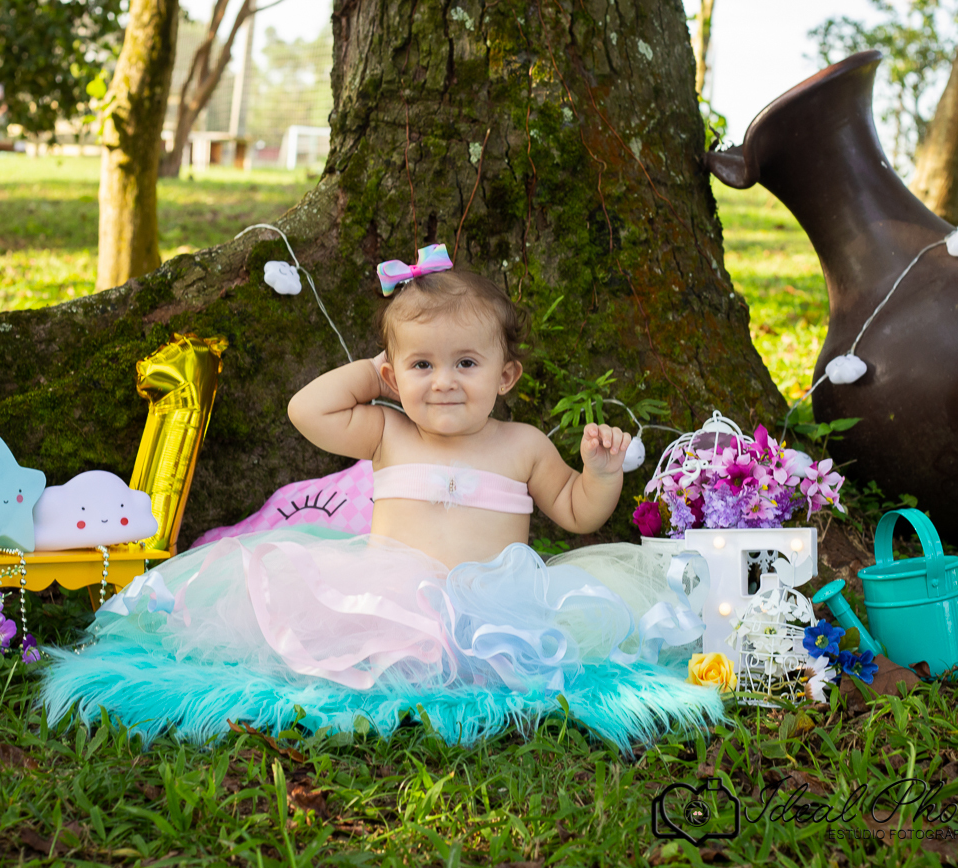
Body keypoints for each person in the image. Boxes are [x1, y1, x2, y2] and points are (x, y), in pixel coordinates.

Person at [40, 247, 725, 754]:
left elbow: (577, 514)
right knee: (355, 637)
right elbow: (307, 410)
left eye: (466, 363)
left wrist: (600, 471)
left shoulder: (523, 444)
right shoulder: (389, 430)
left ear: (505, 375)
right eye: (422, 365)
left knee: (547, 642)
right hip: (396, 597)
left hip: (497, 604)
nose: (445, 382)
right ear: (396, 375)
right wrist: (374, 374)